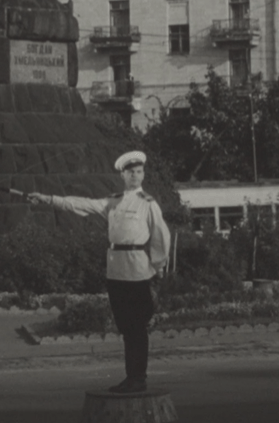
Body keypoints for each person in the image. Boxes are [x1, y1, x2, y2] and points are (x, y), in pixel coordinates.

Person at [29, 151, 171, 394]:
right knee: (125, 327)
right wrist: (48, 199)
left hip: (137, 271)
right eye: (130, 172)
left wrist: (158, 267)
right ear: (122, 175)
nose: (135, 176)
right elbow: (80, 204)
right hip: (115, 271)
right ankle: (132, 377)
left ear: (143, 174)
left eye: (139, 172)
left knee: (137, 327)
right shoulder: (112, 202)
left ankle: (138, 378)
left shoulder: (148, 203)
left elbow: (161, 236)